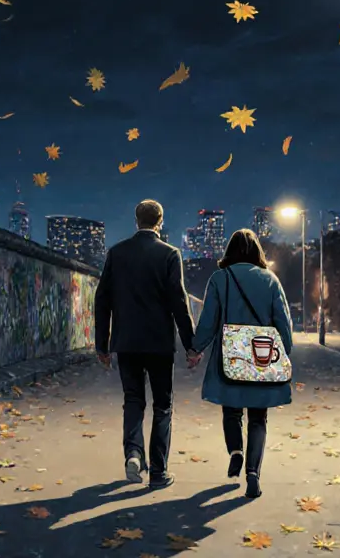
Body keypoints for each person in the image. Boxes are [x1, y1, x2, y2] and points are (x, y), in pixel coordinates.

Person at [94, 199, 199, 489]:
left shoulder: (116, 253)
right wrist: (191, 345)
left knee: (133, 400)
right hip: (159, 344)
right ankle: (159, 472)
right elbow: (179, 301)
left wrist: (101, 345)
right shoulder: (169, 254)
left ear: (136, 221)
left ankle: (133, 453)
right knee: (163, 406)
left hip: (126, 343)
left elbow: (102, 299)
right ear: (160, 221)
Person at [188, 228, 293, 499]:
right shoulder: (270, 280)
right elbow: (283, 322)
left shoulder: (220, 279)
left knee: (232, 411)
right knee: (258, 418)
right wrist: (284, 353)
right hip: (261, 357)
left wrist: (196, 348)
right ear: (257, 251)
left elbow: (209, 319)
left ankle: (235, 451)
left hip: (230, 356)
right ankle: (253, 474)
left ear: (230, 252)